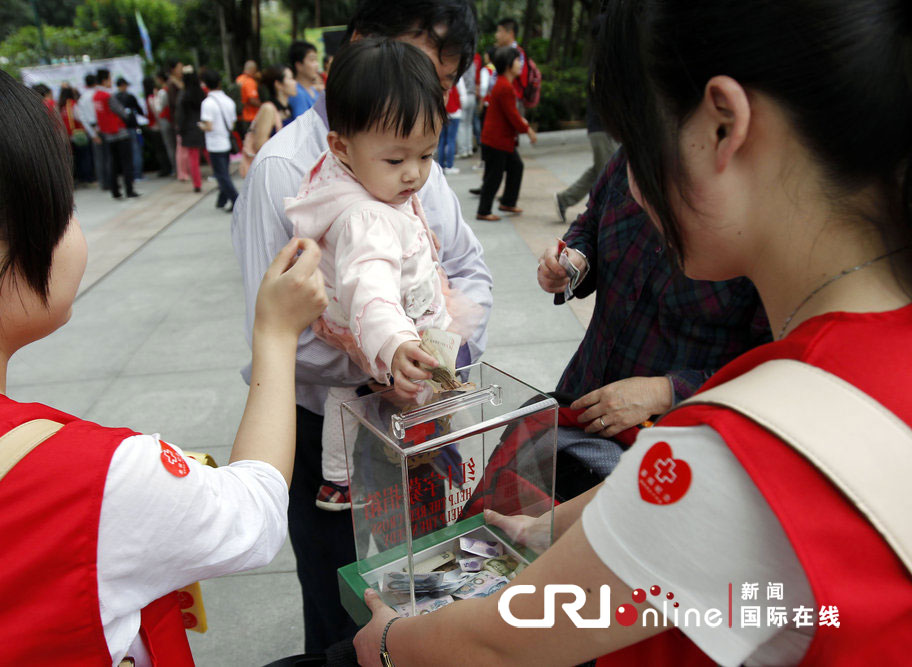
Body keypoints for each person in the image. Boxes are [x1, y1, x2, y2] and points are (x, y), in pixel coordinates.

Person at [355, 0, 912, 663]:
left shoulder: (738, 456)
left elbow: (500, 643)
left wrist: (388, 640)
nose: (637, 187)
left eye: (643, 144)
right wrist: (547, 525)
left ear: (722, 125)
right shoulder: (855, 360)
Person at [0, 42, 329, 664]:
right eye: (63, 209)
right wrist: (275, 334)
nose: (75, 230)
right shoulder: (92, 481)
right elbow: (254, 513)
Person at [231, 0, 492, 653]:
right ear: (360, 47)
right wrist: (394, 351)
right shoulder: (289, 173)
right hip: (334, 424)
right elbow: (324, 315)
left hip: (421, 410)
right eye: (413, 67)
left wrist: (446, 349)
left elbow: (464, 263)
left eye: (436, 87)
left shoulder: (410, 163)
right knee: (345, 606)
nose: (413, 171)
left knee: (430, 588)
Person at [286, 38, 481, 511]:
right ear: (342, 147)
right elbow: (369, 287)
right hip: (386, 325)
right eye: (396, 160)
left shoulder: (358, 181)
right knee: (394, 394)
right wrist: (394, 343)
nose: (414, 173)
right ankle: (418, 459)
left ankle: (338, 479)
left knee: (346, 394)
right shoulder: (365, 217)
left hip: (384, 319)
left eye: (427, 155)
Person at [538, 150, 770, 497]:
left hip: (671, 450)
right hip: (582, 399)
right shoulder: (632, 155)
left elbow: (774, 365)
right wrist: (573, 262)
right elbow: (591, 221)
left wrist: (664, 392)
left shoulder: (762, 207)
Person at [554, 15, 618, 222]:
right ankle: (605, 217)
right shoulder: (603, 61)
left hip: (604, 127)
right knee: (610, 175)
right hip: (602, 127)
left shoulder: (604, 58)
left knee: (600, 170)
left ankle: (565, 199)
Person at [476, 46, 537, 221]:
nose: (520, 64)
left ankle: (508, 202)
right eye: (518, 61)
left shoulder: (504, 84)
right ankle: (484, 211)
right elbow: (513, 116)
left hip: (500, 140)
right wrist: (528, 130)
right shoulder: (504, 87)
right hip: (497, 141)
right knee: (494, 177)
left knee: (516, 167)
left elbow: (512, 115)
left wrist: (524, 127)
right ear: (509, 64)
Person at [237, 65, 296, 178]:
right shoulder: (268, 108)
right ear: (278, 84)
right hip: (271, 173)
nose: (295, 82)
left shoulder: (287, 109)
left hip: (283, 170)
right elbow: (260, 145)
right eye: (290, 78)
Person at [93, 69, 139, 200]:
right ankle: (129, 190)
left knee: (113, 162)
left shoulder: (96, 96)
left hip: (108, 133)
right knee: (126, 162)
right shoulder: (107, 96)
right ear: (104, 80)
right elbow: (121, 112)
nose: (111, 81)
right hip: (119, 132)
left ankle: (115, 191)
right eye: (109, 78)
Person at [199, 68, 239, 211]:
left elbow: (209, 126)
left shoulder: (207, 103)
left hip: (215, 143)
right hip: (226, 142)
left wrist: (201, 126)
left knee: (221, 175)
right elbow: (232, 124)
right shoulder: (228, 101)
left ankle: (236, 200)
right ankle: (221, 200)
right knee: (224, 172)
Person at [175, 66, 206, 193]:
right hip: (203, 126)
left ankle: (197, 184)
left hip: (189, 129)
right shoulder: (202, 93)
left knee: (193, 159)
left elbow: (180, 115)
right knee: (209, 155)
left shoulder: (183, 95)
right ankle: (220, 176)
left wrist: (180, 130)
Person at [114, 77, 145, 181]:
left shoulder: (115, 98)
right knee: (135, 150)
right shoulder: (129, 97)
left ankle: (130, 175)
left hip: (120, 129)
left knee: (126, 154)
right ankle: (137, 174)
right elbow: (139, 110)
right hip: (131, 127)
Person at [437, 75, 466, 174]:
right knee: (451, 140)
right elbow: (463, 95)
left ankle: (441, 166)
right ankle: (449, 166)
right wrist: (460, 108)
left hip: (443, 112)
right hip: (454, 112)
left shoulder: (439, 76)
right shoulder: (457, 78)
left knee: (442, 140)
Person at [287, 40, 322, 119]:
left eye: (316, 60)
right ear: (299, 65)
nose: (317, 64)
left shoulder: (314, 90)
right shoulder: (297, 93)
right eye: (312, 60)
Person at [236, 59, 261, 131]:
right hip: (250, 117)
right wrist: (264, 106)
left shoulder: (239, 79)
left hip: (241, 116)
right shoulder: (250, 82)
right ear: (253, 70)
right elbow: (252, 100)